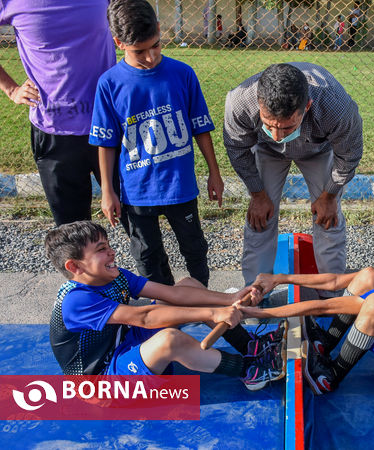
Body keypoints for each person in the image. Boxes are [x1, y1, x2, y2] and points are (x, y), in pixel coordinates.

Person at [45, 220, 285, 390]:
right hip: (102, 384)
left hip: (124, 346)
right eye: (101, 250)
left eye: (108, 245)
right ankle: (250, 370)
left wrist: (229, 300)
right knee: (169, 339)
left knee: (188, 283)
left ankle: (250, 345)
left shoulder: (115, 276)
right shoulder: (76, 300)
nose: (112, 252)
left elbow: (173, 294)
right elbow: (145, 317)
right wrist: (214, 312)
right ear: (74, 267)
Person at [240, 212, 374, 394]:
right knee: (368, 275)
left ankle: (331, 376)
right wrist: (278, 279)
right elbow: (334, 281)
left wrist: (260, 314)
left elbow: (324, 307)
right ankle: (325, 343)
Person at [89, 0, 224, 288]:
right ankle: (163, 304)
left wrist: (214, 172)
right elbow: (106, 143)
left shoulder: (183, 74)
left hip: (180, 186)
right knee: (147, 255)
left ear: (160, 31)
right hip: (137, 192)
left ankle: (201, 296)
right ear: (118, 42)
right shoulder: (109, 84)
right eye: (139, 51)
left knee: (195, 248)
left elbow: (201, 128)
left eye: (156, 46)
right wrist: (107, 191)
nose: (150, 57)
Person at [223, 62, 363, 299]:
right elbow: (237, 149)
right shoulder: (239, 100)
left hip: (318, 148)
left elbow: (349, 155)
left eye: (287, 127)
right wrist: (257, 194)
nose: (277, 136)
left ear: (307, 106)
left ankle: (330, 294)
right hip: (265, 150)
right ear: (259, 104)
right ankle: (255, 293)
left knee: (328, 218)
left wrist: (329, 195)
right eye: (269, 124)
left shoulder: (335, 106)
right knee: (260, 217)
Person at [0, 0, 116, 226]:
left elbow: (133, 23)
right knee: (73, 234)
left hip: (110, 124)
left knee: (139, 222)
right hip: (53, 131)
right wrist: (11, 89)